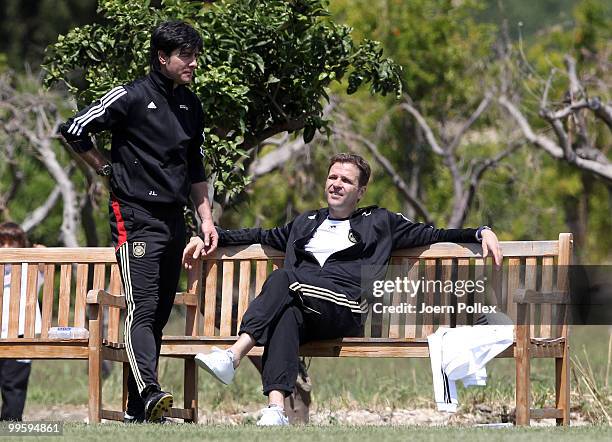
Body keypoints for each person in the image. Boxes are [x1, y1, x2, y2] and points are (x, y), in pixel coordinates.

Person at [182, 153, 502, 426]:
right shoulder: (306, 221)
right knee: (287, 313)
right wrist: (209, 236)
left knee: (283, 280)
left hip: (344, 306)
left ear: (360, 190)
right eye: (332, 177)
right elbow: (260, 235)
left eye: (346, 180)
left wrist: (480, 232)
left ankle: (234, 354)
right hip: (305, 304)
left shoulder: (379, 222)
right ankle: (276, 409)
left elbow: (435, 234)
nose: (336, 183)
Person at [59, 21, 218, 423]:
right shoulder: (130, 95)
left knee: (160, 312)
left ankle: (137, 407)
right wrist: (105, 169)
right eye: (186, 56)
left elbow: (194, 167)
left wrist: (206, 218)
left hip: (174, 218)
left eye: (195, 55)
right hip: (134, 215)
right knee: (142, 306)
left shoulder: (190, 105)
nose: (193, 63)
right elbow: (74, 128)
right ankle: (149, 390)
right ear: (162, 57)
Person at [0, 222, 43, 421]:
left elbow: (44, 259)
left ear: (22, 245)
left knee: (14, 384)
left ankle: (11, 421)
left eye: (12, 243)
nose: (7, 249)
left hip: (20, 334)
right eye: (2, 243)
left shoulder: (30, 269)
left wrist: (37, 254)